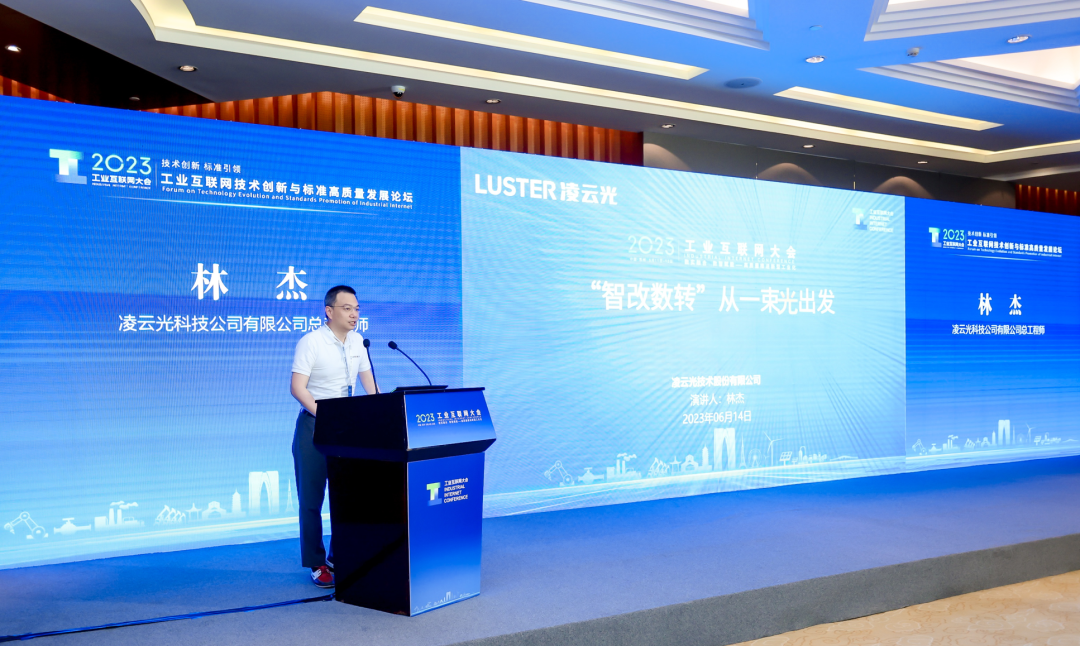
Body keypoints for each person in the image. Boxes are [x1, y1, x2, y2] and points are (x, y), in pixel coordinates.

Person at [290, 285, 377, 588]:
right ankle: (316, 563)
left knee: (348, 497)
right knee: (311, 499)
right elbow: (297, 388)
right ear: (329, 311)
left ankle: (338, 556)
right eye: (347, 308)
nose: (354, 314)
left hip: (346, 430)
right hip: (314, 426)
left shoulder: (358, 342)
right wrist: (325, 416)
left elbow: (371, 386)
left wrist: (383, 410)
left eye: (357, 309)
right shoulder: (311, 342)